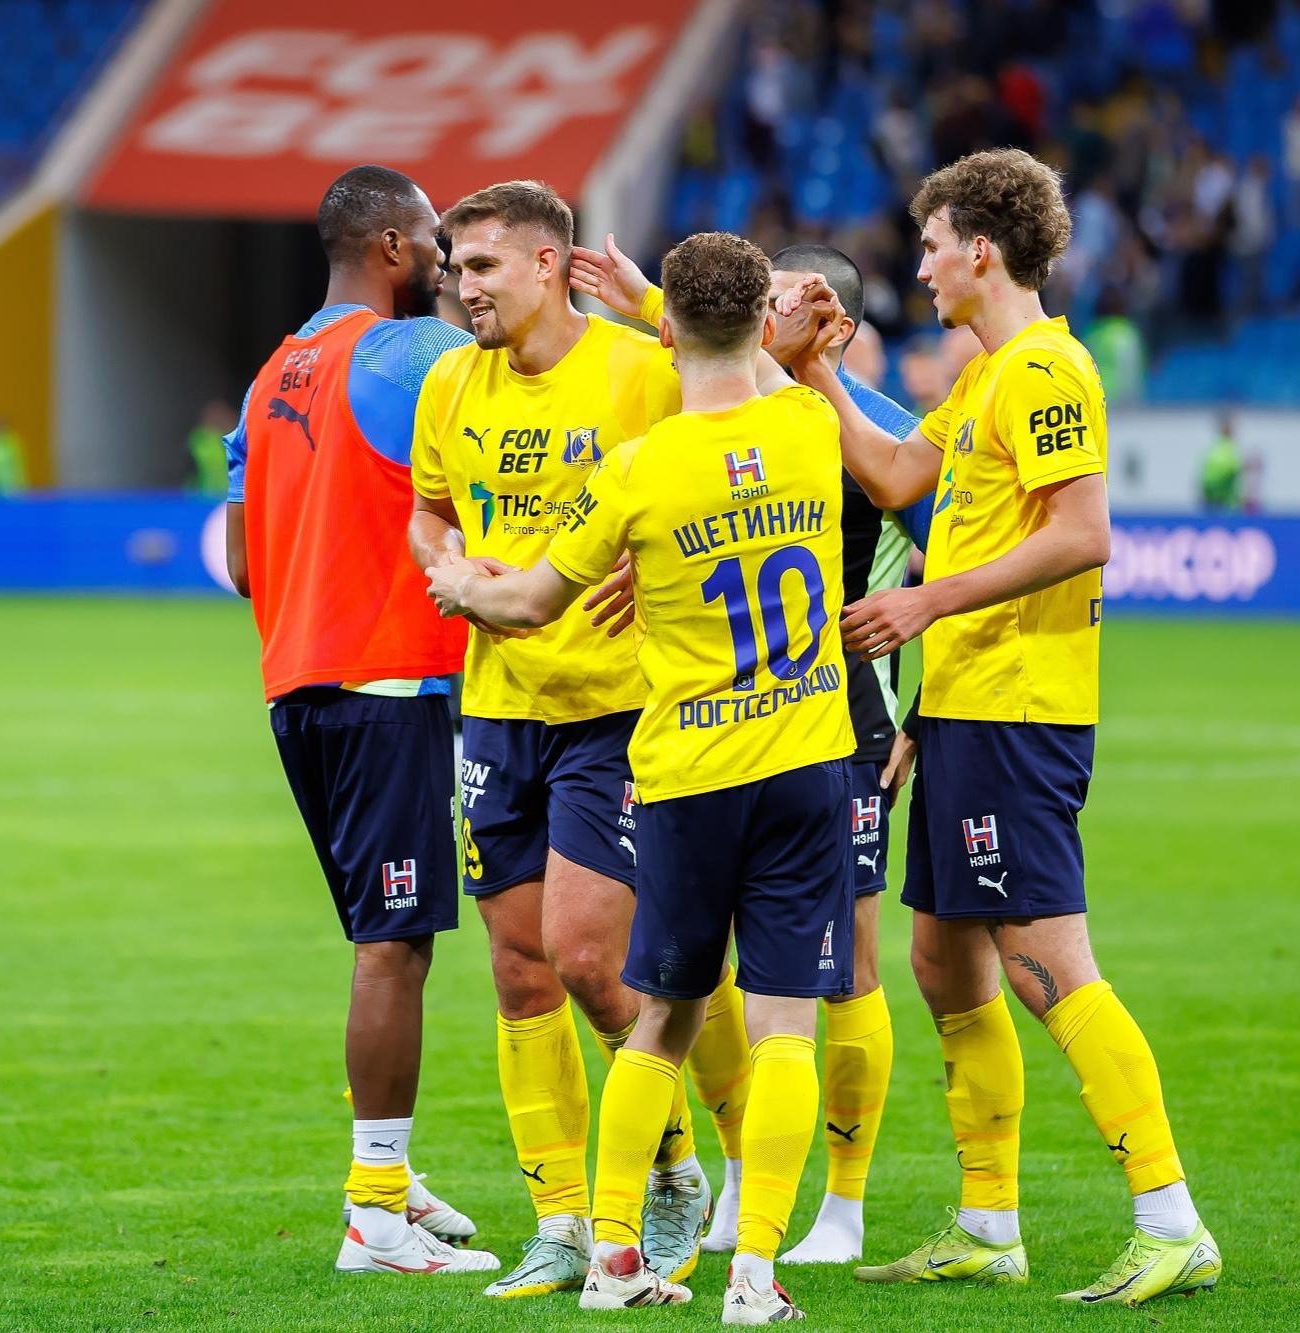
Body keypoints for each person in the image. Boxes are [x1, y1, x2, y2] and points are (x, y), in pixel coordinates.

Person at [784, 147, 1221, 1308]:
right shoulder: (981, 379)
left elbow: (1083, 532)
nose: (920, 267)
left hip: (1022, 712)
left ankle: (1170, 1218)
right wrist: (819, 374)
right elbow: (891, 477)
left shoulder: (1042, 371)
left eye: (932, 246)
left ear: (982, 250)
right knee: (941, 960)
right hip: (965, 708)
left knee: (1044, 962)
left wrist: (926, 603)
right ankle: (987, 1222)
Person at [427, 230, 854, 1324]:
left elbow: (528, 602)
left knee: (659, 1019)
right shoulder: (808, 427)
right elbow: (772, 372)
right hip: (805, 765)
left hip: (683, 774)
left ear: (664, 335)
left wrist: (460, 585)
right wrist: (679, 307)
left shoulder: (634, 471)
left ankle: (613, 1254)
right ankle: (752, 1275)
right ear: (760, 323)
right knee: (784, 1027)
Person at [407, 180, 744, 1297]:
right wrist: (450, 568)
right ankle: (558, 1220)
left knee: (590, 957)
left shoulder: (641, 370)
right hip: (499, 705)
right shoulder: (450, 383)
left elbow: (733, 461)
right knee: (518, 971)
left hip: (618, 707)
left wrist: (664, 569)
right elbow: (429, 512)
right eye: (455, 267)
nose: (463, 286)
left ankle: (672, 1170)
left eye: (483, 266)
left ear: (549, 265)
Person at [570, 237, 935, 1265]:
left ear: (828, 323)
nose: (762, 316)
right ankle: (747, 1179)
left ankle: (843, 1207)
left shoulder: (866, 431)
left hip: (844, 722)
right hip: (734, 728)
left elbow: (956, 555)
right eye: (756, 299)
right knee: (719, 977)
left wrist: (928, 705)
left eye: (780, 300)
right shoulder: (771, 420)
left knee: (844, 969)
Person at [221, 163, 496, 1281]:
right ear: (390, 247)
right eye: (435, 239)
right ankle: (375, 1211)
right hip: (386, 683)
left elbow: (243, 563)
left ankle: (396, 1175)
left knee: (383, 943)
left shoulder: (268, 376)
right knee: (394, 948)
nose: (447, 260)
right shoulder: (413, 353)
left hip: (296, 688)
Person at [188, 400, 236, 497]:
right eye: (213, 415)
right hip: (204, 496)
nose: (218, 419)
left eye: (222, 415)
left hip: (232, 497)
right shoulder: (199, 439)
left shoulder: (239, 439)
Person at [1200, 412, 1243, 511]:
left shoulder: (1216, 449)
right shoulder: (1223, 449)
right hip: (1223, 503)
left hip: (1219, 502)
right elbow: (1227, 470)